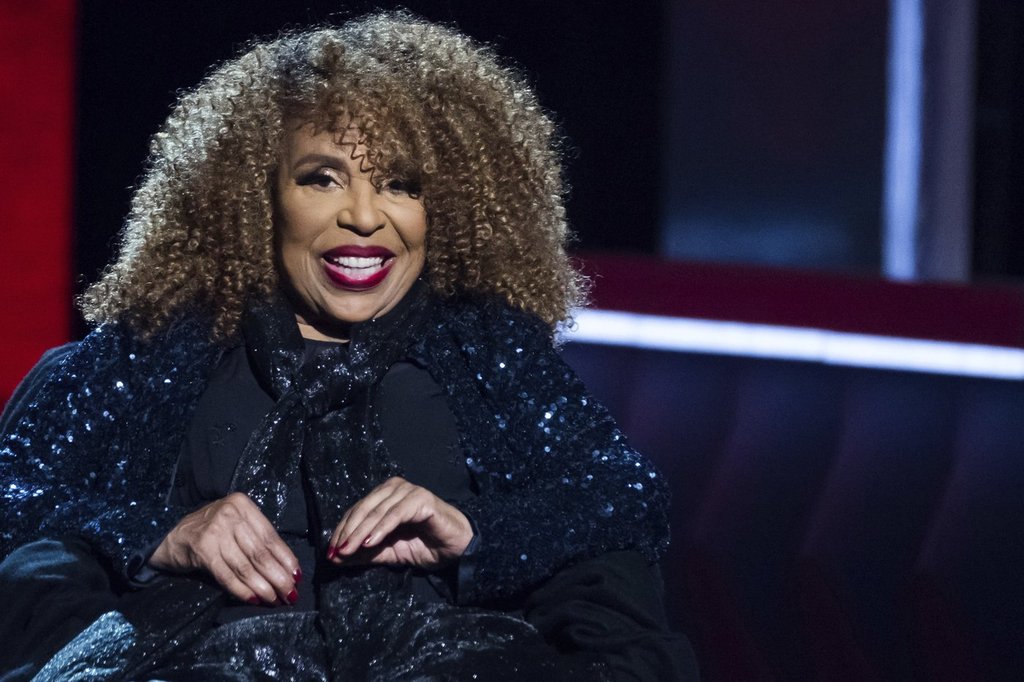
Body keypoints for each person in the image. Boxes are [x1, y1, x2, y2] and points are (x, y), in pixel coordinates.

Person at [0, 12, 696, 681]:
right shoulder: (158, 349)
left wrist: (475, 533)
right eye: (322, 177)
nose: (364, 217)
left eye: (401, 184)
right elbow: (17, 497)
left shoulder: (489, 354)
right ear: (257, 194)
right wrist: (160, 535)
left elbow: (622, 501)